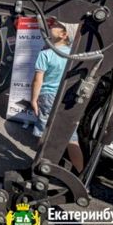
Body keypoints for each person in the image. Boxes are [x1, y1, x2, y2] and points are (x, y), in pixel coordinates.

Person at [31, 20, 84, 174]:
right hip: (67, 97)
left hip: (47, 96)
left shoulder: (45, 54)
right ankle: (81, 174)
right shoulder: (74, 55)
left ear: (64, 34)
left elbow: (38, 80)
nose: (50, 26)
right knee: (71, 137)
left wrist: (33, 99)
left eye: (55, 26)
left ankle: (40, 168)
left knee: (44, 133)